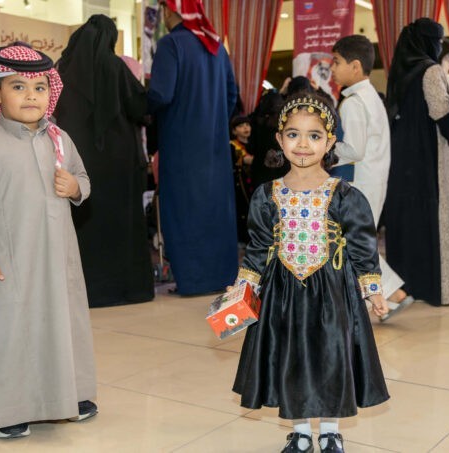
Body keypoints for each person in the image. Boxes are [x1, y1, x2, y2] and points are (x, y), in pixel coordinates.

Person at [232, 92, 390, 453]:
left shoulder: (345, 195)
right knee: (292, 360)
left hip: (333, 295)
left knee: (332, 358)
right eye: (293, 134)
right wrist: (242, 287)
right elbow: (258, 248)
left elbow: (363, 247)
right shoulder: (266, 195)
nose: (303, 144)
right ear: (279, 139)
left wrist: (373, 290)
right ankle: (301, 432)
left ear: (330, 142)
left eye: (314, 136)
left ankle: (331, 431)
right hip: (283, 296)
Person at [0, 44, 97, 439]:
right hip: (9, 261)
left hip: (58, 256)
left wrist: (76, 187)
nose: (31, 96)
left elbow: (83, 179)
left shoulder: (60, 139)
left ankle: (73, 395)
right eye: (18, 87)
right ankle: (13, 408)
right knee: (12, 331)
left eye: (40, 88)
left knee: (66, 324)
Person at [54, 14, 154, 307]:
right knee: (121, 223)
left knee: (84, 222)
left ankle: (85, 290)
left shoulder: (64, 69)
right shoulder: (115, 67)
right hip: (119, 161)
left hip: (79, 160)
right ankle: (125, 290)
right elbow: (140, 107)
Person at [148, 0, 238, 295]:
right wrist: (214, 122)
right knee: (216, 210)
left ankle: (192, 280)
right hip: (215, 147)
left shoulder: (170, 44)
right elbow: (232, 95)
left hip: (181, 145)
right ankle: (220, 277)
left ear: (170, 10)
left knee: (183, 211)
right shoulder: (216, 46)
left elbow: (161, 94)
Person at [330, 34, 414, 320]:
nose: (332, 68)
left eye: (336, 62)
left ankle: (392, 294)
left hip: (359, 183)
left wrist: (324, 149)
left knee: (353, 241)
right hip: (374, 180)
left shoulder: (353, 102)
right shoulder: (371, 97)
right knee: (356, 240)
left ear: (355, 66)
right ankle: (388, 296)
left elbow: (354, 149)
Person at [384, 18, 449, 307]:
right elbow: (441, 112)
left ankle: (407, 287)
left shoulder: (400, 71)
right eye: (438, 42)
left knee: (407, 221)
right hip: (427, 158)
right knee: (432, 220)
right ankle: (434, 288)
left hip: (401, 158)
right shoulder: (430, 70)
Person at [230, 115, 253, 244]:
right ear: (234, 131)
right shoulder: (233, 145)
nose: (245, 128)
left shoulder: (253, 144)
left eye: (247, 125)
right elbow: (244, 160)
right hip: (240, 183)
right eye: (241, 126)